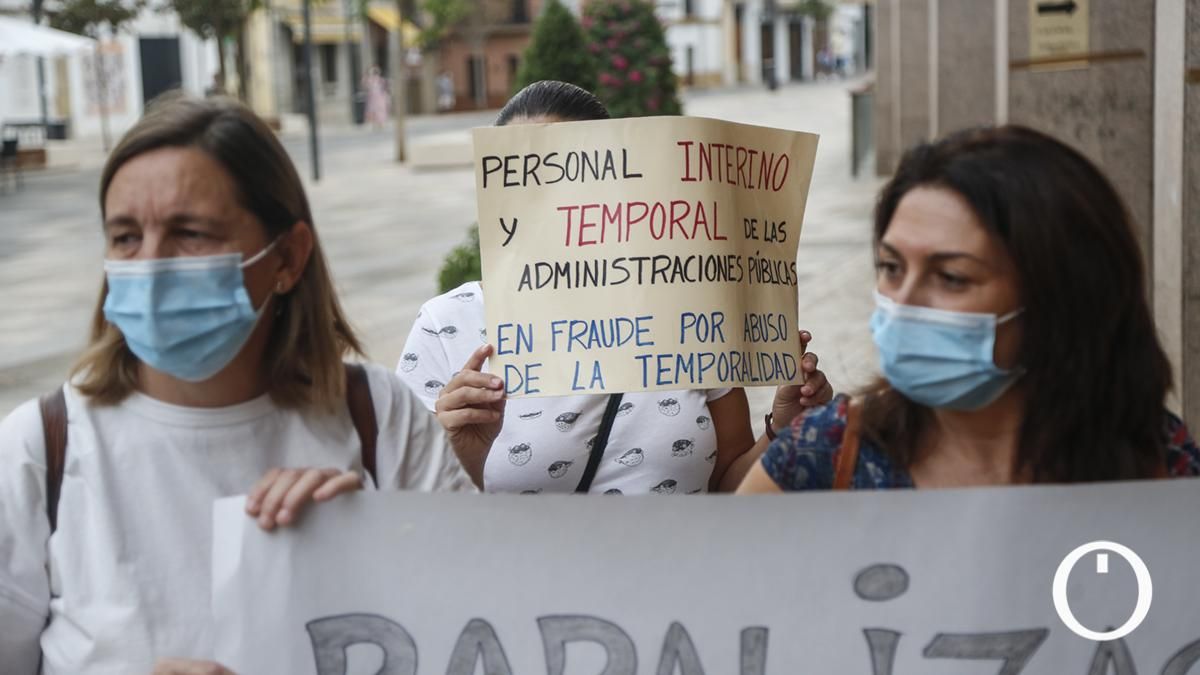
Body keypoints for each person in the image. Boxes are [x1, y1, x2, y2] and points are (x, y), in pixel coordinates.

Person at [0, 95, 470, 674]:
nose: (150, 263)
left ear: (288, 258)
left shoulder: (379, 418)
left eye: (190, 233)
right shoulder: (38, 451)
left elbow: (480, 633)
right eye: (125, 237)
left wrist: (371, 540)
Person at [398, 80, 833, 495]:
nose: (552, 203)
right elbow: (404, 511)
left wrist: (783, 429)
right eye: (528, 183)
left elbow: (728, 486)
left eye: (571, 178)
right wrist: (459, 449)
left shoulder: (689, 307)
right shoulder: (446, 325)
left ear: (621, 191)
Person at [738, 126, 1200, 494]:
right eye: (892, 267)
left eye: (952, 277)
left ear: (1056, 297)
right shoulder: (823, 455)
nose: (904, 301)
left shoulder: (1154, 459)